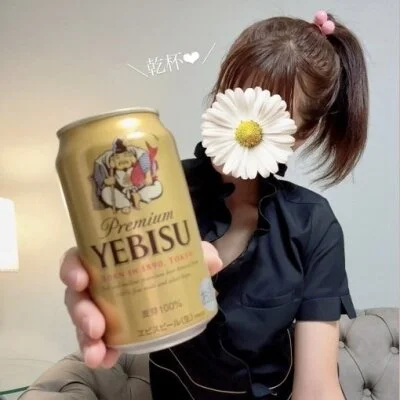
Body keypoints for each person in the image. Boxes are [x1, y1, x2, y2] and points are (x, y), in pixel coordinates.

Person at [60, 11, 368, 400]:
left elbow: (318, 389)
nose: (243, 126)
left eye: (270, 115)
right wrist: (104, 282)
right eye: (234, 98)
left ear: (301, 135)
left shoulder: (313, 223)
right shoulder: (159, 191)